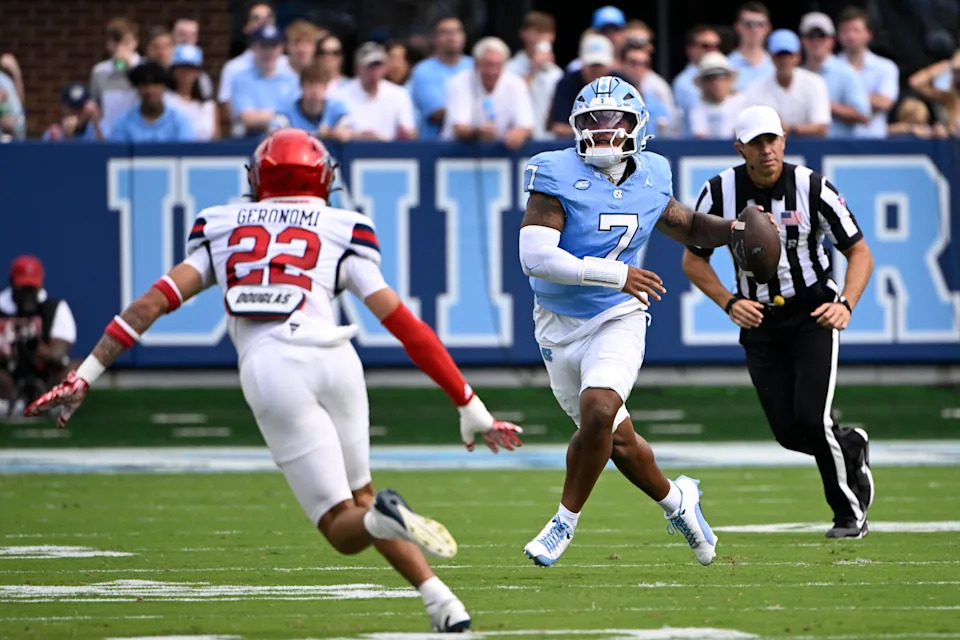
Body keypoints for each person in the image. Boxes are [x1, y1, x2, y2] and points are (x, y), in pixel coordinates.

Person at [25, 128, 522, 632]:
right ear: (321, 178)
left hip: (274, 366)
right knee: (364, 497)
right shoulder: (339, 226)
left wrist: (85, 374)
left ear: (258, 178)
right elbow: (403, 326)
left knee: (342, 526)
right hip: (336, 355)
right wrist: (468, 401)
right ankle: (443, 604)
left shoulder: (222, 225)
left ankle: (390, 531)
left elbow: (151, 304)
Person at [518, 76, 740, 567]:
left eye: (613, 121)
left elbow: (686, 224)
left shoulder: (653, 174)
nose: (602, 132)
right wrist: (616, 272)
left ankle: (563, 523)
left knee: (599, 409)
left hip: (619, 313)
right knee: (616, 439)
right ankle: (679, 502)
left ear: (639, 127)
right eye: (591, 122)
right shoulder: (553, 172)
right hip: (557, 321)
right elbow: (535, 257)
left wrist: (736, 229)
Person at [681, 105, 875, 538]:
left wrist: (845, 303)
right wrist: (729, 302)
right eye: (756, 142)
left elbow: (859, 252)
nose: (766, 150)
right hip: (759, 320)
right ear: (740, 148)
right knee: (788, 433)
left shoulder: (812, 187)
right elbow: (693, 261)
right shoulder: (719, 191)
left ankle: (849, 514)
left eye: (772, 139)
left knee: (812, 416)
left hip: (813, 315)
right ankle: (850, 445)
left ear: (784, 140)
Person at [1, 256, 76, 419]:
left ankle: (53, 402)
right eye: (23, 288)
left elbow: (59, 351)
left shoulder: (55, 308)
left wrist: (46, 352)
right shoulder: (2, 307)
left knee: (77, 370)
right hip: (7, 372)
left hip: (44, 373)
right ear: (12, 282)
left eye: (32, 288)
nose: (28, 294)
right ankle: (10, 403)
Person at [442, 37, 533, 150]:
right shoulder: (458, 83)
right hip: (454, 154)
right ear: (476, 64)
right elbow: (460, 128)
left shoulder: (517, 84)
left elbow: (526, 125)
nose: (492, 71)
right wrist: (478, 132)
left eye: (497, 65)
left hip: (500, 156)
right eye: (488, 65)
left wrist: (519, 133)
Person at [745, 29, 831, 137]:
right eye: (779, 55)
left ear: (798, 56)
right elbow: (749, 128)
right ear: (771, 57)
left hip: (808, 149)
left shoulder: (815, 83)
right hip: (769, 148)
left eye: (789, 55)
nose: (785, 60)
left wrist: (789, 129)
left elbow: (821, 127)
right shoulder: (756, 87)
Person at [799, 12, 870, 138]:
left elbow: (863, 115)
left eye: (821, 36)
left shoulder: (846, 72)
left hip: (838, 151)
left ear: (831, 40)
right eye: (811, 36)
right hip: (804, 147)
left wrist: (823, 104)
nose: (816, 41)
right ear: (803, 40)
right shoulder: (797, 73)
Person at [218, 2, 290, 120]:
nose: (263, 22)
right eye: (256, 18)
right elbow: (229, 110)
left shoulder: (288, 65)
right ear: (246, 26)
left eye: (268, 17)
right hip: (249, 135)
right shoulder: (234, 67)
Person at [332, 42, 417, 141]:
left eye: (378, 64)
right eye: (368, 65)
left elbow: (409, 130)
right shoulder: (339, 95)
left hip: (390, 154)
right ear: (357, 68)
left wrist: (406, 134)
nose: (374, 70)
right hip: (348, 153)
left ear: (385, 67)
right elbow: (327, 131)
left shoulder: (400, 94)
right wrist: (358, 136)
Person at [837, 7, 899, 138]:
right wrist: (870, 99)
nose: (850, 36)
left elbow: (885, 102)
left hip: (875, 141)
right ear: (838, 36)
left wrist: (842, 102)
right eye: (845, 31)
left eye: (856, 30)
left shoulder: (886, 67)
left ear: (868, 34)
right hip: (837, 143)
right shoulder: (830, 67)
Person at [548, 34, 627, 137]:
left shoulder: (623, 85)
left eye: (599, 65)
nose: (595, 70)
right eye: (591, 65)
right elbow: (558, 127)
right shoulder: (566, 83)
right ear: (582, 63)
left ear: (610, 65)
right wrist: (597, 133)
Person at [408, 16, 473, 140]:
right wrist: (476, 113)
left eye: (457, 32)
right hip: (435, 147)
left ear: (464, 37)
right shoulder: (423, 70)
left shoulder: (475, 66)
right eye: (445, 33)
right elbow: (436, 114)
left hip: (473, 146)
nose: (452, 37)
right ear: (435, 39)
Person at [230, 24, 301, 138]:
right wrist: (281, 116)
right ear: (253, 48)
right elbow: (247, 118)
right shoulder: (241, 79)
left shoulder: (292, 79)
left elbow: (299, 116)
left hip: (287, 141)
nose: (269, 52)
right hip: (251, 143)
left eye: (273, 46)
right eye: (264, 46)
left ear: (281, 48)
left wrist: (269, 117)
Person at [506, 11, 562, 140]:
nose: (540, 38)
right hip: (518, 141)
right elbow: (510, 99)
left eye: (545, 32)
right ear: (523, 33)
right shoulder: (510, 68)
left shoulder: (557, 73)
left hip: (547, 141)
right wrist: (533, 70)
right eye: (536, 31)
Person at [110, 62, 196, 142]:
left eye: (156, 84)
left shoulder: (179, 122)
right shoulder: (123, 122)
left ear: (164, 87)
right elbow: (118, 154)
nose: (150, 90)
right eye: (144, 84)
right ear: (137, 88)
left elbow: (187, 154)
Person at [89, 17, 141, 137]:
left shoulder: (144, 67)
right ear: (109, 44)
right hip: (109, 135)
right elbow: (95, 104)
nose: (121, 47)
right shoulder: (99, 71)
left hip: (137, 134)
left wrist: (130, 68)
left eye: (126, 42)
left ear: (136, 42)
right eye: (117, 42)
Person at [272, 60, 348, 138]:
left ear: (326, 87)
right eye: (310, 85)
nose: (314, 91)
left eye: (319, 85)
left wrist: (332, 133)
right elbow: (274, 133)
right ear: (301, 86)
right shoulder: (286, 110)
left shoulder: (337, 109)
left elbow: (346, 134)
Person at [672, 24, 723, 136]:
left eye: (716, 46)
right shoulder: (683, 82)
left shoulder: (727, 72)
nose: (712, 50)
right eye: (706, 46)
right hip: (693, 146)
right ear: (690, 49)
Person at [688, 52, 745, 139]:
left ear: (730, 79)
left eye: (721, 76)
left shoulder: (744, 103)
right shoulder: (696, 106)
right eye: (709, 78)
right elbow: (700, 138)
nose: (715, 82)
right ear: (702, 83)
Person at [169, 45, 219, 141]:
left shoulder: (209, 106)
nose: (186, 73)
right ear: (174, 71)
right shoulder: (166, 100)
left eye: (191, 69)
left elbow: (215, 139)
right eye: (182, 68)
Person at [909, 51, 960, 136]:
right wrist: (943, 67)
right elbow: (915, 83)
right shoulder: (946, 95)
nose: (958, 77)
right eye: (956, 72)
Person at [729, 2, 774, 91]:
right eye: (748, 24)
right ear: (737, 26)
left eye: (760, 24)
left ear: (768, 27)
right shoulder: (727, 65)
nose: (754, 29)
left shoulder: (776, 65)